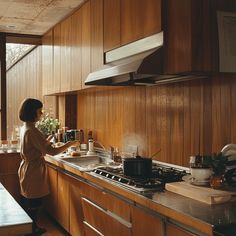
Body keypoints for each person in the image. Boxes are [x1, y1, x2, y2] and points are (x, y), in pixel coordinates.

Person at [18, 98, 79, 235]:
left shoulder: (26, 127)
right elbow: (51, 151)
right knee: (34, 202)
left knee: (29, 200)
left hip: (27, 168)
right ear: (33, 112)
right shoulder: (32, 130)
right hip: (33, 170)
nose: (41, 113)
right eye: (40, 111)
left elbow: (37, 145)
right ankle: (33, 230)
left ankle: (32, 228)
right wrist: (70, 144)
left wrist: (49, 139)